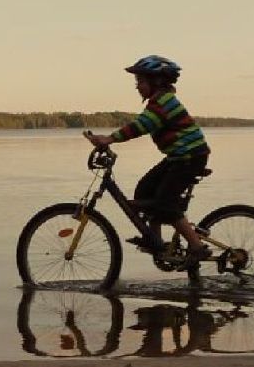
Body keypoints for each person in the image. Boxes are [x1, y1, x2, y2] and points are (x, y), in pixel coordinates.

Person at [86, 55, 211, 259]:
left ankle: (197, 247)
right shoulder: (159, 101)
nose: (137, 87)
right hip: (178, 157)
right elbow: (142, 124)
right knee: (145, 190)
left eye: (141, 81)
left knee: (165, 203)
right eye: (137, 82)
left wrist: (109, 139)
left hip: (190, 158)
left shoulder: (163, 102)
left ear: (157, 82)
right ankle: (156, 241)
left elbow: (140, 126)